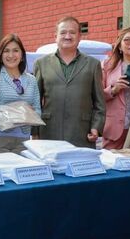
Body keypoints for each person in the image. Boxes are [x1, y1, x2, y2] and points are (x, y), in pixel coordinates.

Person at [33, 17, 105, 148]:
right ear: (55, 36)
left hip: (82, 133)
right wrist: (35, 132)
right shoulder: (41, 64)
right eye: (63, 32)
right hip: (48, 132)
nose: (67, 36)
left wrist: (96, 127)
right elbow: (35, 101)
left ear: (79, 36)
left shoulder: (93, 64)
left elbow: (99, 103)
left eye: (72, 32)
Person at [0, 34, 41, 153]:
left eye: (15, 51)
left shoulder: (31, 80)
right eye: (6, 51)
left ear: (22, 55)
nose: (11, 55)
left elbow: (37, 111)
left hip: (23, 140)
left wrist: (29, 113)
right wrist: (19, 113)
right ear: (1, 55)